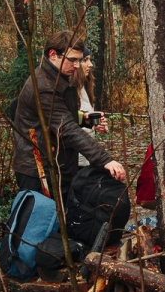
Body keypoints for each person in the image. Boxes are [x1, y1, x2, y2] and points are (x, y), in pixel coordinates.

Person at [12, 31, 125, 197]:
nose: (77, 65)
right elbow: (66, 128)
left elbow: (57, 115)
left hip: (55, 166)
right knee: (44, 221)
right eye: (73, 60)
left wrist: (83, 119)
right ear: (53, 55)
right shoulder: (45, 86)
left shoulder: (58, 78)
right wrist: (105, 160)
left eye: (79, 60)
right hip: (37, 169)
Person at [73, 48, 108, 167]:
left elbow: (83, 120)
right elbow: (68, 122)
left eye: (90, 60)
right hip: (74, 159)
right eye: (85, 60)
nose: (90, 64)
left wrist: (95, 125)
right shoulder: (69, 90)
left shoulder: (84, 88)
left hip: (87, 157)